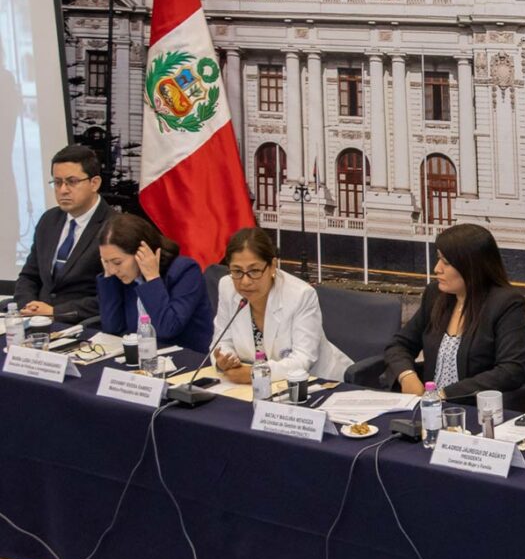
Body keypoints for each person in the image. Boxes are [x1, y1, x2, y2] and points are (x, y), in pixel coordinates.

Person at [384, 223, 525, 398]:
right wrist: (407, 376)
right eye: (438, 259)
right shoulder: (435, 295)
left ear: (471, 266)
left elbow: (510, 371)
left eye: (446, 262)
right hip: (427, 407)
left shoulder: (506, 304)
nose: (437, 268)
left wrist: (445, 394)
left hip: (471, 409)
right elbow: (400, 345)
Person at [212, 228, 351, 382]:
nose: (245, 281)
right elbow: (221, 342)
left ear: (272, 266)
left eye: (254, 271)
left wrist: (254, 374)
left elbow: (302, 359)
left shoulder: (301, 295)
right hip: (259, 387)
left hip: (319, 383)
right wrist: (225, 361)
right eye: (237, 271)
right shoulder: (227, 286)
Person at [14, 145, 115, 322]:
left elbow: (114, 294)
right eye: (57, 182)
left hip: (83, 326)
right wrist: (29, 306)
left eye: (72, 181)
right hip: (36, 321)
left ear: (95, 183)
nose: (63, 190)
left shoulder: (115, 226)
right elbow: (29, 275)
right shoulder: (49, 220)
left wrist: (54, 311)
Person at [97, 213, 213, 352]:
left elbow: (167, 328)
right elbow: (112, 329)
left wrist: (152, 278)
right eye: (106, 262)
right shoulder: (121, 275)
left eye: (117, 262)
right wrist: (108, 277)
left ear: (142, 253)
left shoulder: (184, 271)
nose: (113, 270)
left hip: (185, 358)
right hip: (141, 357)